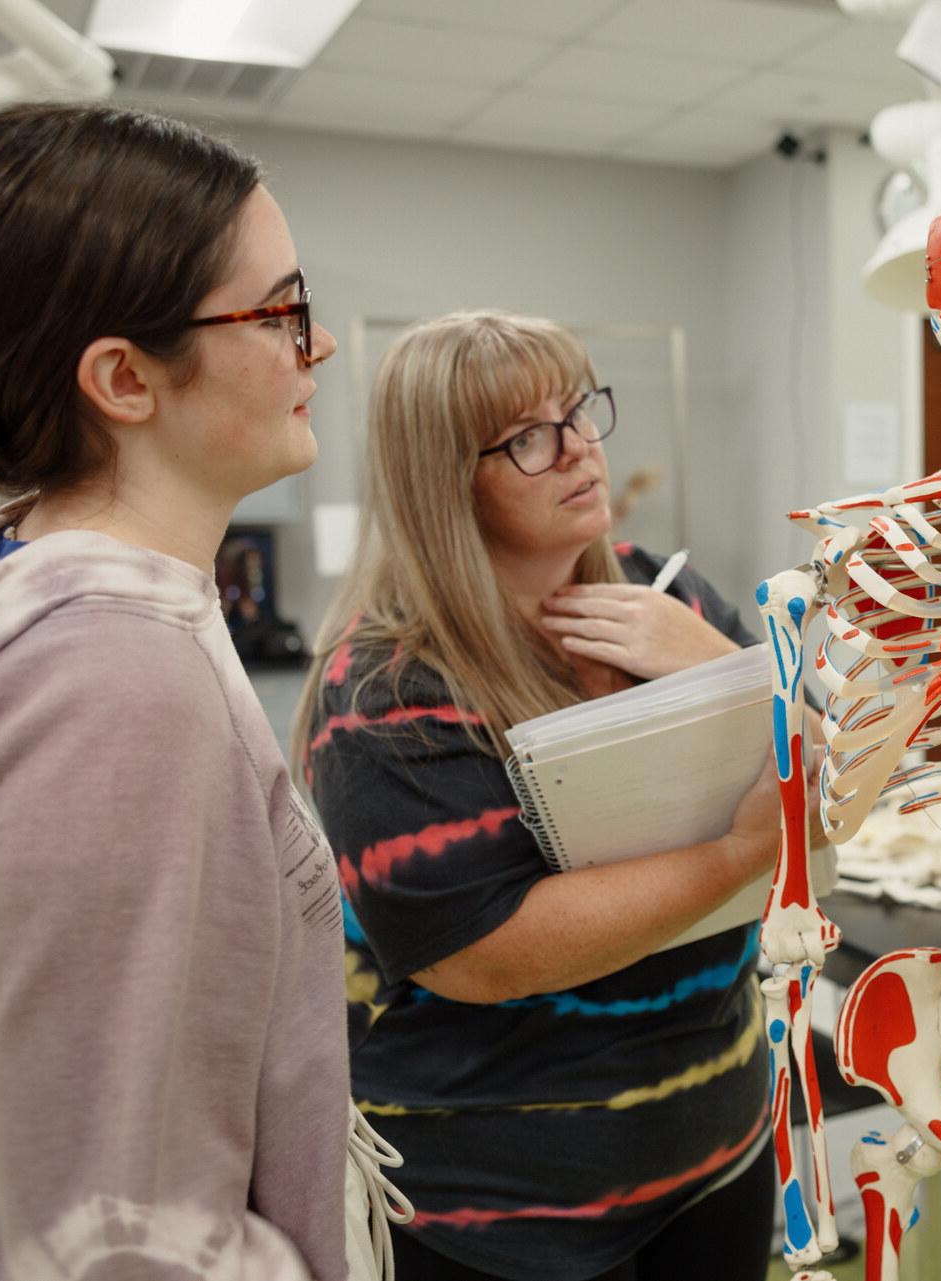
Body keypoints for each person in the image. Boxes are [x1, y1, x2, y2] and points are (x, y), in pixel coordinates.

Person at [0, 103, 349, 1277]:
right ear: (124, 378)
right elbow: (117, 1238)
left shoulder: (43, 597)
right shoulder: (115, 687)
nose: (315, 351)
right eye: (281, 315)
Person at [292, 311, 787, 1281]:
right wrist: (735, 856)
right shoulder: (384, 690)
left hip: (717, 1155)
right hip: (501, 1215)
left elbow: (824, 794)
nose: (579, 451)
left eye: (580, 413)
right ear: (445, 480)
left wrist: (726, 669)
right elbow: (484, 952)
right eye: (528, 438)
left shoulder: (666, 598)